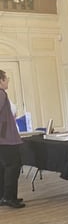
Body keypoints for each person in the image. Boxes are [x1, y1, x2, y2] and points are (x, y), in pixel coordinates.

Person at [0, 70, 25, 208]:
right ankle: (9, 197)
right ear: (1, 80)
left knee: (3, 167)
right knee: (13, 166)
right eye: (6, 78)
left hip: (3, 138)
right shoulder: (1, 93)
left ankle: (3, 196)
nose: (8, 80)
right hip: (6, 139)